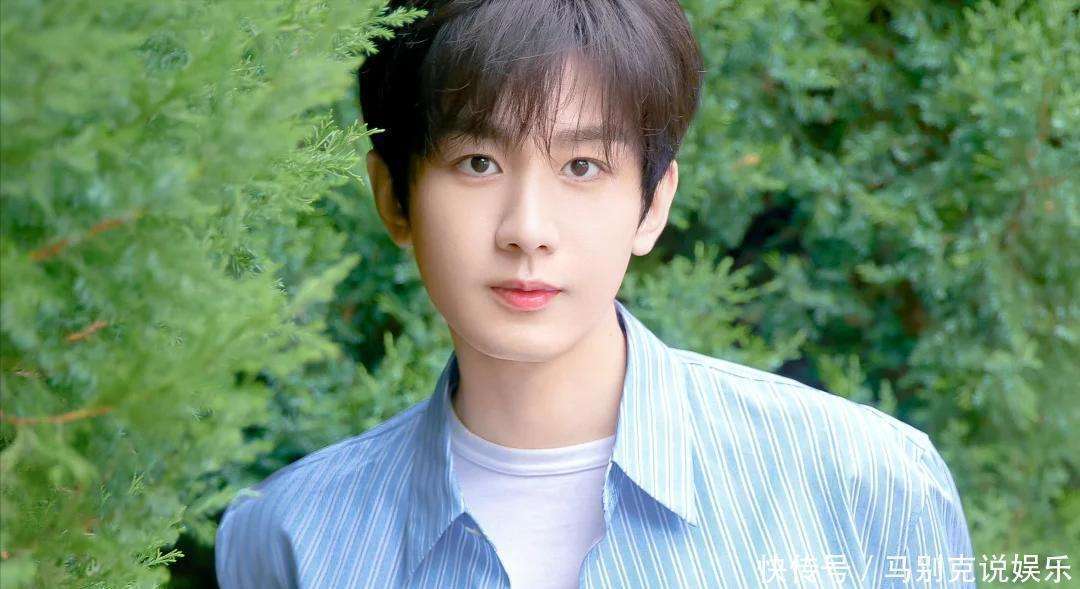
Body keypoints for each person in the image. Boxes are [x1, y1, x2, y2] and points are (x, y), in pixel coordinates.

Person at [215, 1, 975, 587]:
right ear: (394, 198)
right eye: (478, 162)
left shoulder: (865, 482)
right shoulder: (289, 539)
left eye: (582, 166)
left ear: (652, 204)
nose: (527, 230)